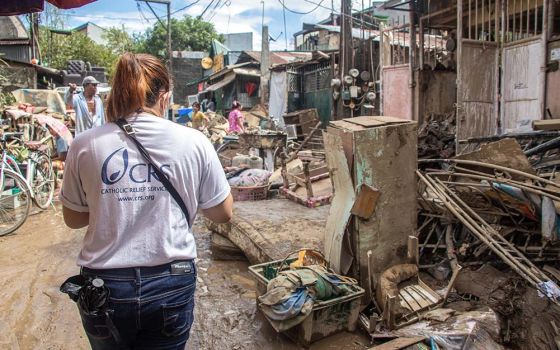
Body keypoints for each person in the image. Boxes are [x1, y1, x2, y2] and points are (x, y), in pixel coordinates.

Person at [60, 53, 233, 350]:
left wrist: (110, 204)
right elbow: (222, 213)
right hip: (171, 282)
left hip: (104, 286)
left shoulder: (84, 144)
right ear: (164, 97)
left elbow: (73, 218)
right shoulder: (194, 142)